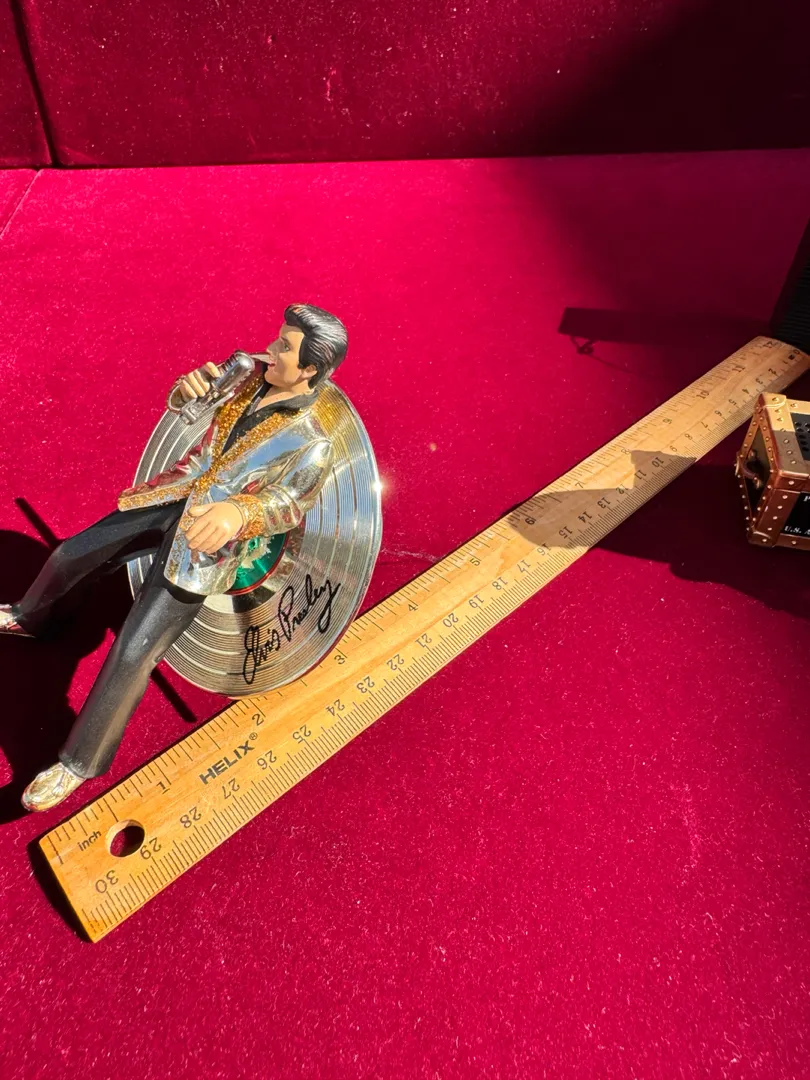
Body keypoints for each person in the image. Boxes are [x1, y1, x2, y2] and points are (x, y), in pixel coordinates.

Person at [0, 303, 347, 811]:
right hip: (170, 495)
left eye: (285, 347)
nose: (271, 349)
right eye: (277, 338)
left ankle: (79, 762)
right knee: (72, 554)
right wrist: (184, 392)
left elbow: (289, 503)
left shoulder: (313, 443)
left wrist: (239, 513)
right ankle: (33, 616)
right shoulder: (247, 372)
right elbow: (188, 407)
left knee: (135, 650)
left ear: (310, 369)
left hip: (208, 541)